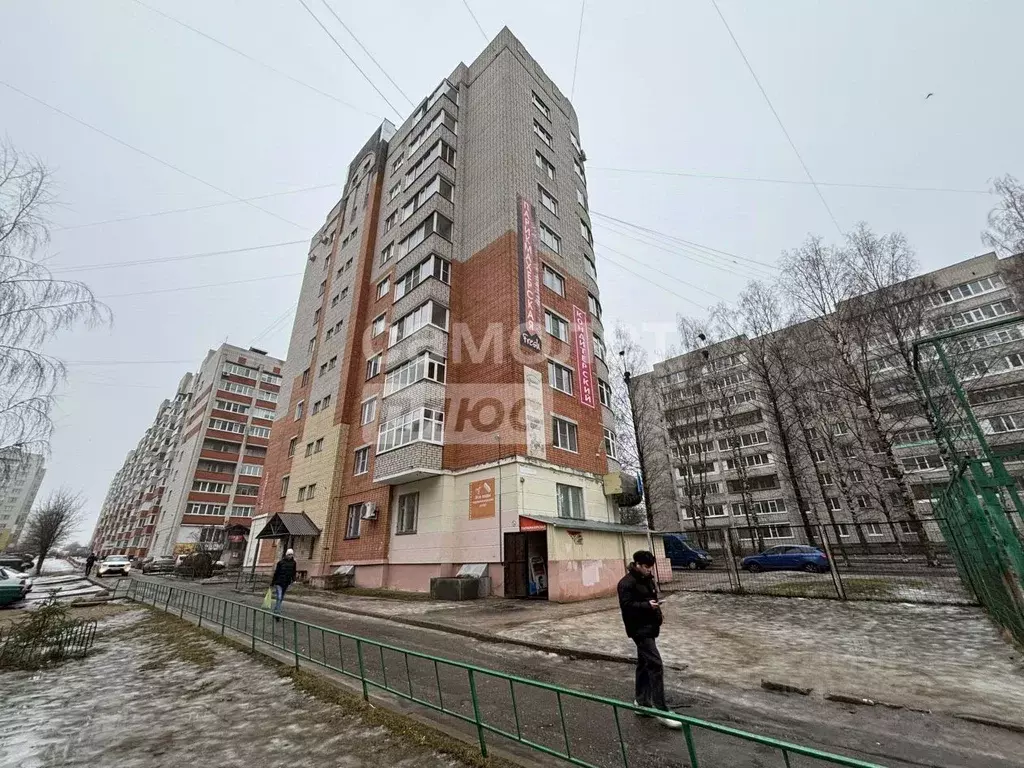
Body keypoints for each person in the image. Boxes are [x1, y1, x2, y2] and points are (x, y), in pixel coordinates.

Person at [617, 550, 681, 730]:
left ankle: (641, 702)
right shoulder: (626, 583)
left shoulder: (647, 579)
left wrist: (658, 614)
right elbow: (627, 607)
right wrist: (647, 606)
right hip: (638, 630)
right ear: (636, 564)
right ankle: (661, 709)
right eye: (645, 567)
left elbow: (652, 598)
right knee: (655, 664)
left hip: (650, 626)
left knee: (644, 664)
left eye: (650, 567)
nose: (648, 570)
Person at [271, 548, 297, 620]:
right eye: (289, 554)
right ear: (286, 554)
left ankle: (275, 611)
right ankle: (278, 614)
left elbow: (293, 572)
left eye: (291, 555)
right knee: (279, 597)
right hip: (279, 582)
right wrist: (272, 583)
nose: (290, 556)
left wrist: (294, 580)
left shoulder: (293, 563)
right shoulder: (280, 562)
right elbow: (276, 573)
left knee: (281, 598)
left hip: (286, 583)